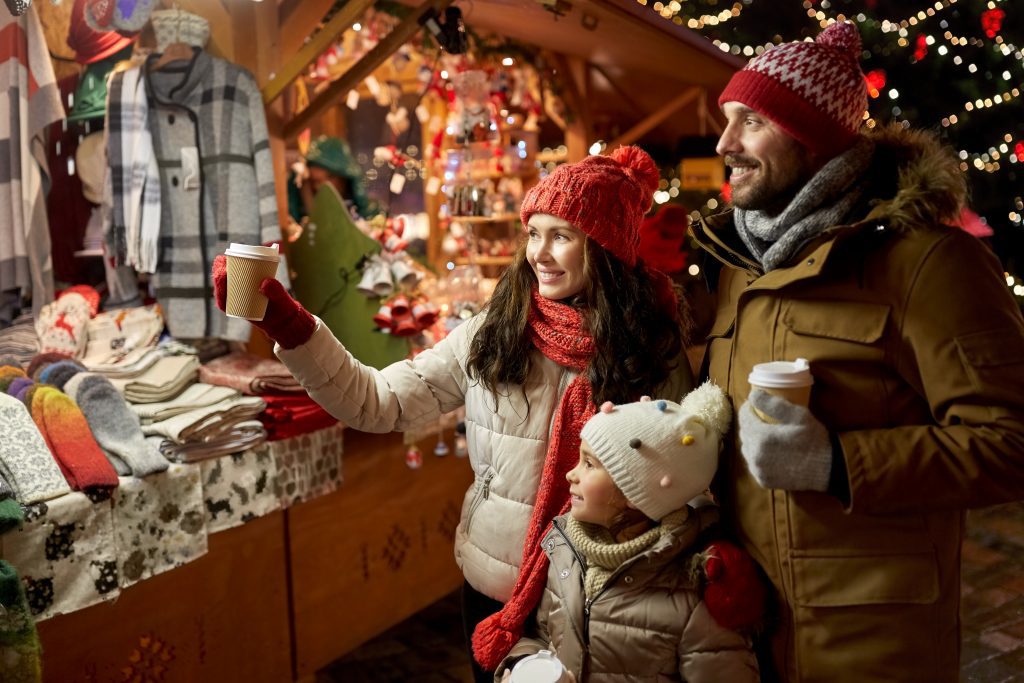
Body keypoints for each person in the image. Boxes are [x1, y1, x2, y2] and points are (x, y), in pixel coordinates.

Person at [212, 145, 694, 682]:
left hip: (606, 596)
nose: (540, 253)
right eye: (534, 232)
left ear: (604, 247)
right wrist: (289, 325)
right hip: (496, 589)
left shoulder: (650, 346)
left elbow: (681, 483)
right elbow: (379, 402)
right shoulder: (497, 329)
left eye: (562, 235)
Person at [689, 20, 1024, 682]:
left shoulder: (929, 261)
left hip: (872, 647)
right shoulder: (738, 266)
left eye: (750, 121)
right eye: (726, 121)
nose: (725, 143)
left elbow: (1011, 440)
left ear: (811, 135)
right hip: (748, 638)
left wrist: (838, 462)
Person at [494, 384, 761, 682]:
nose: (572, 474)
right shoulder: (565, 553)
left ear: (635, 494)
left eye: (589, 464)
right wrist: (523, 665)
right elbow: (543, 637)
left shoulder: (692, 597)